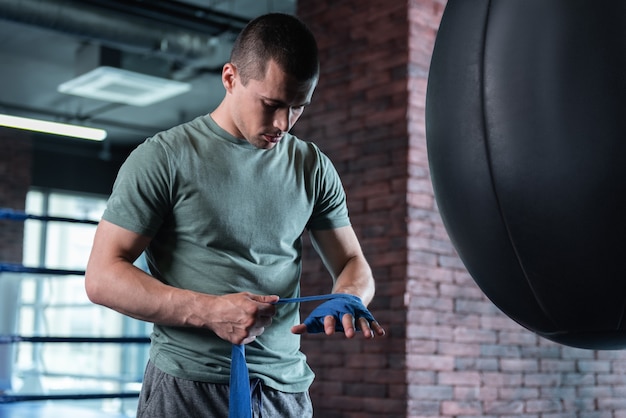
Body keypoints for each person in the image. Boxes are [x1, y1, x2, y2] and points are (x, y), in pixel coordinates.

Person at [85, 12, 385, 418]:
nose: (283, 123)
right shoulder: (164, 158)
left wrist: (349, 297)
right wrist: (210, 312)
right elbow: (102, 277)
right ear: (230, 78)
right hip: (189, 387)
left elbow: (353, 262)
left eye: (298, 107)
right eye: (272, 104)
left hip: (286, 391)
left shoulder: (312, 166)